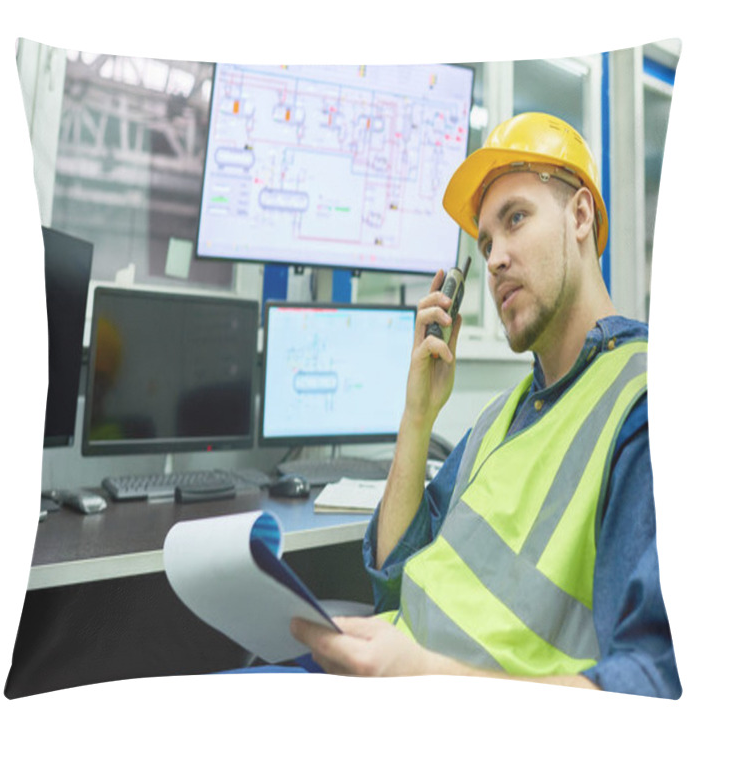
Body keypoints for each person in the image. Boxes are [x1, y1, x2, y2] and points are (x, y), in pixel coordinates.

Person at [290, 112, 681, 698]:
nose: (495, 258)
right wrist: (418, 415)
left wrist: (420, 674)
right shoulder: (502, 415)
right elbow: (395, 583)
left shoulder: (646, 406)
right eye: (486, 242)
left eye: (516, 219)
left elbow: (651, 689)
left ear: (579, 216)